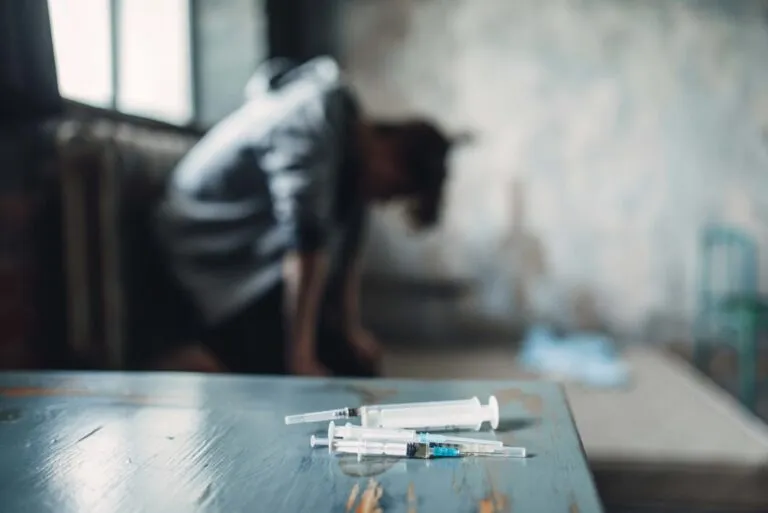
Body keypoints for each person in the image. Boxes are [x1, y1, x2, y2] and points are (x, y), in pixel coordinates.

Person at [154, 56, 454, 377]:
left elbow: (348, 249)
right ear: (389, 149)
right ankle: (186, 357)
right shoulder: (313, 122)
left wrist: (350, 330)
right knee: (289, 370)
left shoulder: (350, 159)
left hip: (256, 254)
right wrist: (300, 357)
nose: (385, 200)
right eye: (393, 190)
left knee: (352, 362)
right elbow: (305, 244)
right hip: (206, 240)